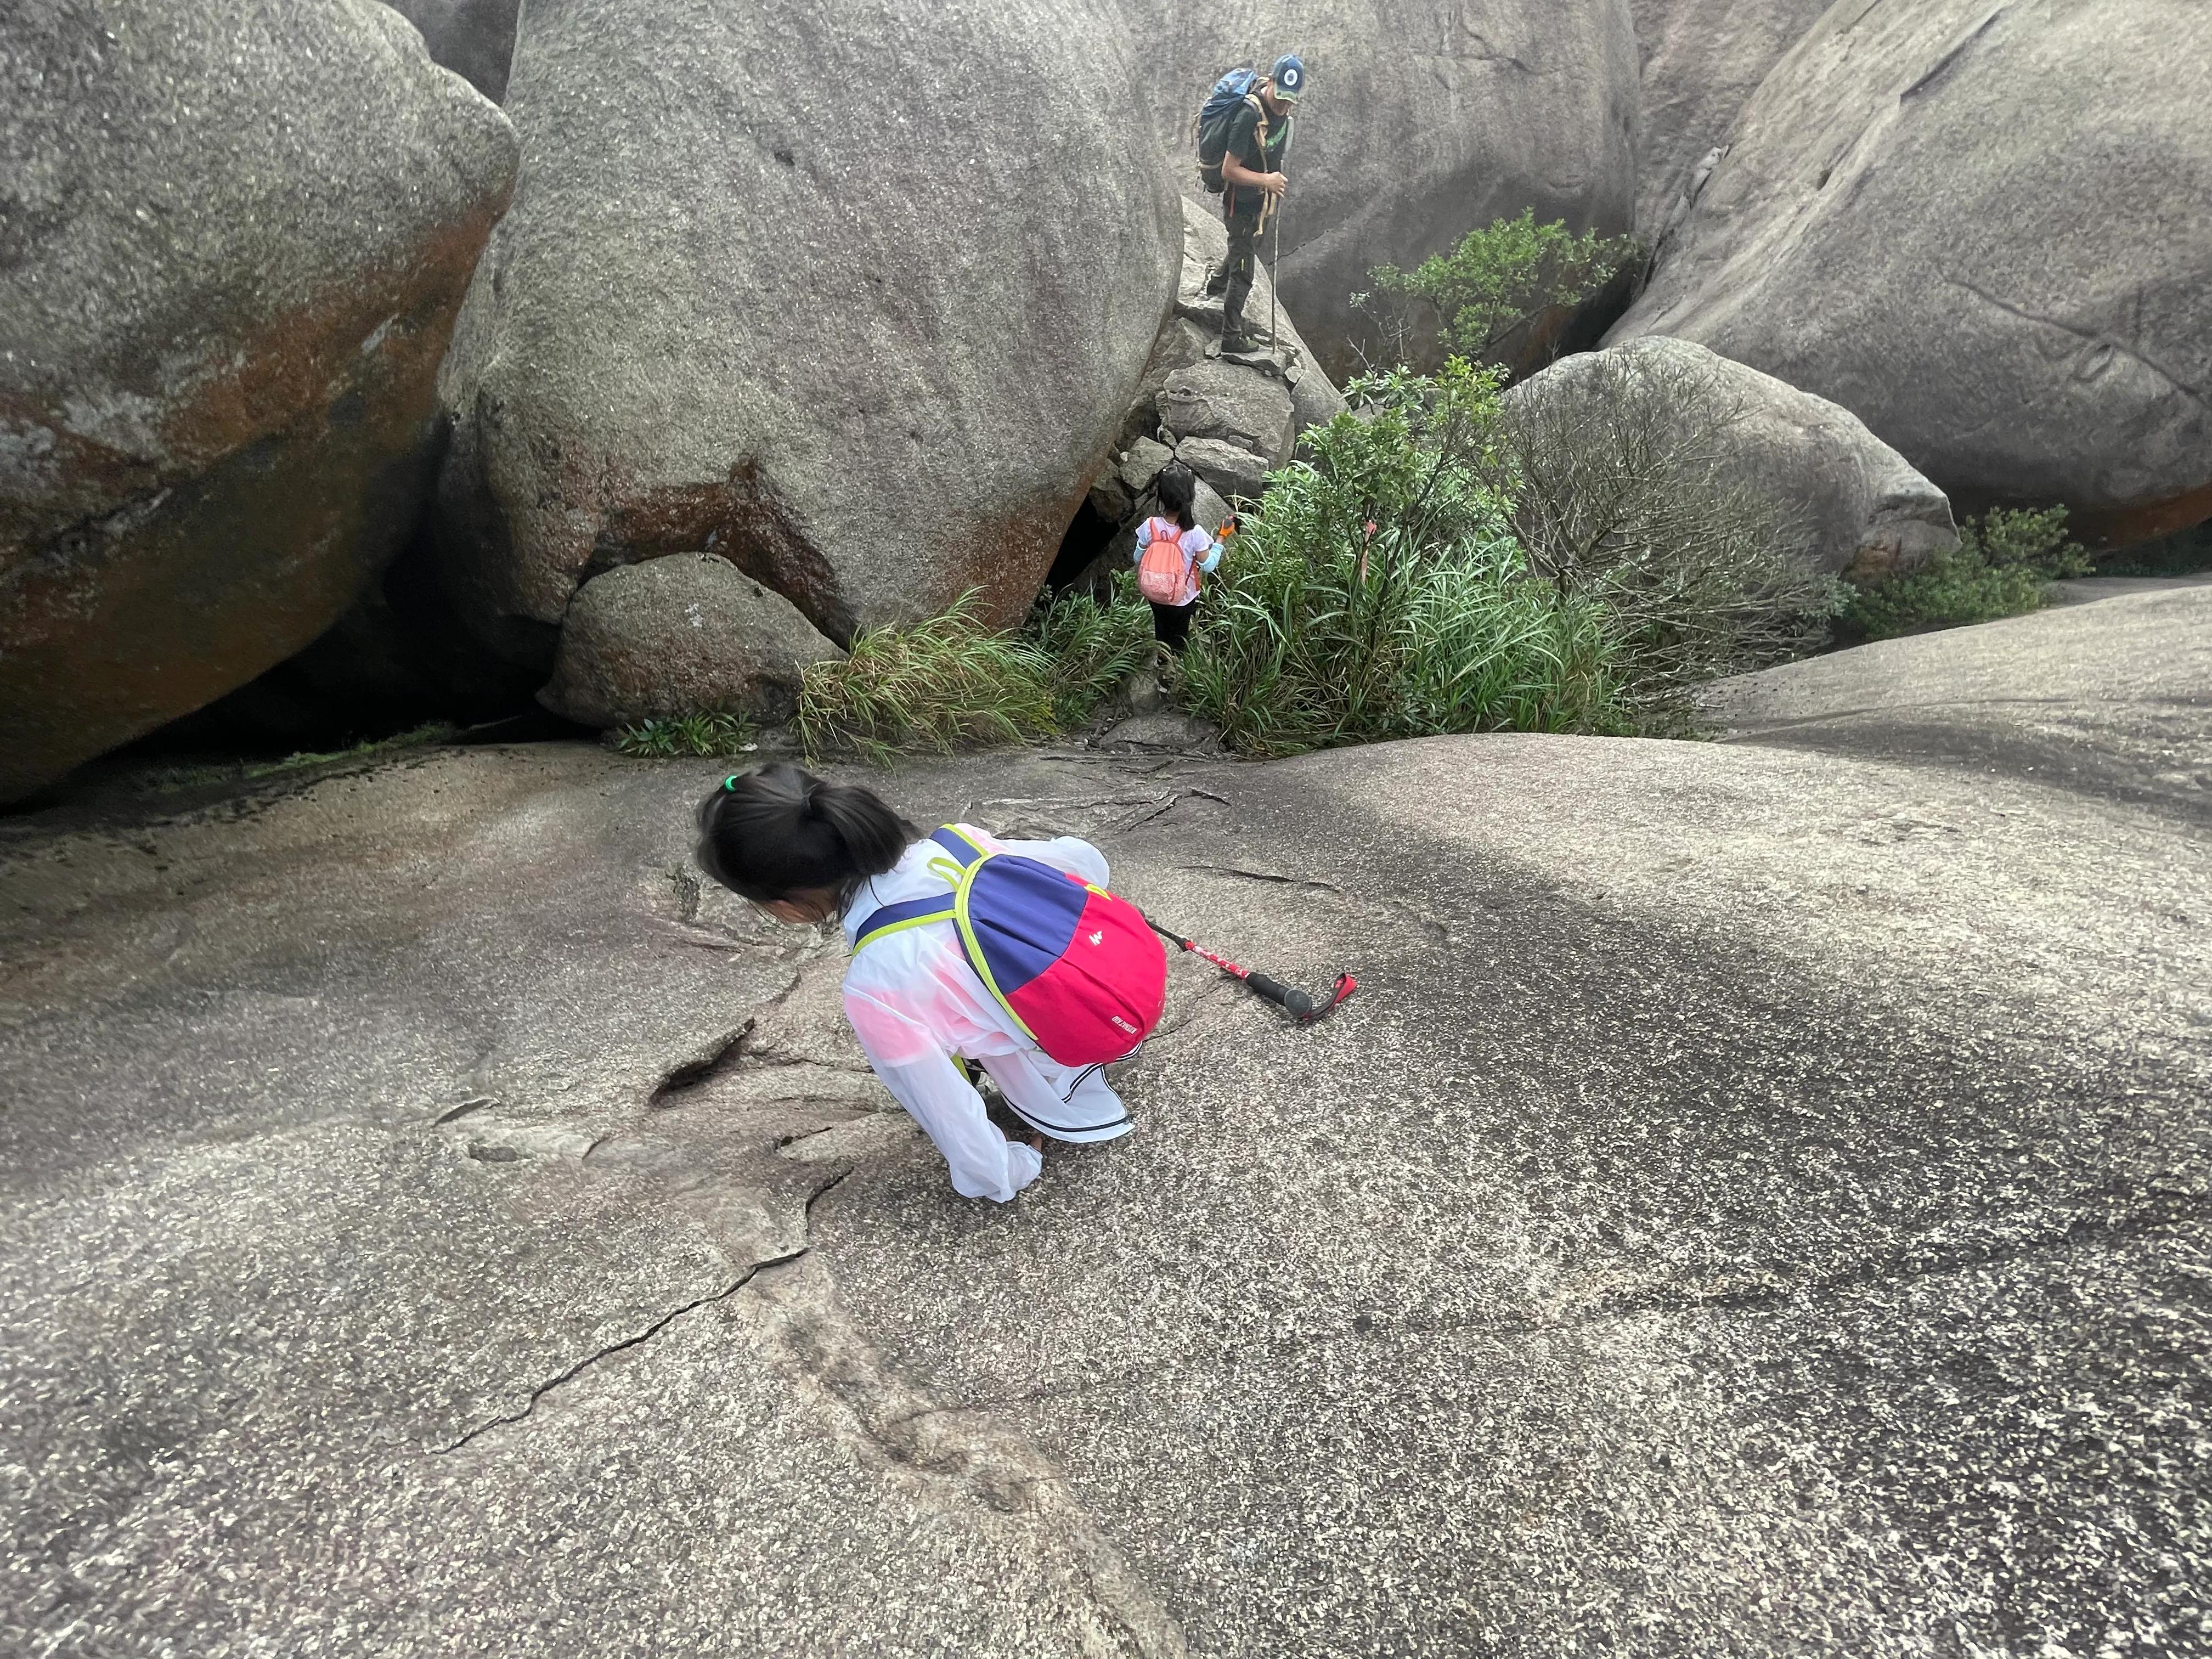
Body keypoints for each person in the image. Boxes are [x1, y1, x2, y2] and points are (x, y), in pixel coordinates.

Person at [695, 766, 1135, 1203]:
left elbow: (944, 1107)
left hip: (1087, 1035)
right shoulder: (960, 841)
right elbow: (1085, 864)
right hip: (1125, 978)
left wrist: (1012, 1167)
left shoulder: (877, 982)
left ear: (785, 904)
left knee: (946, 1009)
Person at [1207, 53, 1305, 355]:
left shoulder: (1282, 114)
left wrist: (1272, 184)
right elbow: (1229, 170)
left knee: (1243, 246)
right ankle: (1231, 339)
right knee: (1244, 271)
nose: (1284, 106)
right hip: (1240, 204)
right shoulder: (1249, 115)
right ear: (1270, 81)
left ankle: (1215, 284)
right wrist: (1267, 182)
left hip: (1259, 204)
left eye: (1290, 100)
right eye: (1280, 98)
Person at [1131, 460, 1220, 654]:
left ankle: (1162, 660)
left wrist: (1143, 546)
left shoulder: (1150, 525)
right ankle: (1175, 664)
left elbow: (1138, 557)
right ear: (1190, 496)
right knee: (1179, 635)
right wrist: (1221, 540)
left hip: (1154, 592)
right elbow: (1208, 566)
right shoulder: (1194, 533)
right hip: (1182, 598)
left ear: (1161, 496)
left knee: (1161, 629)